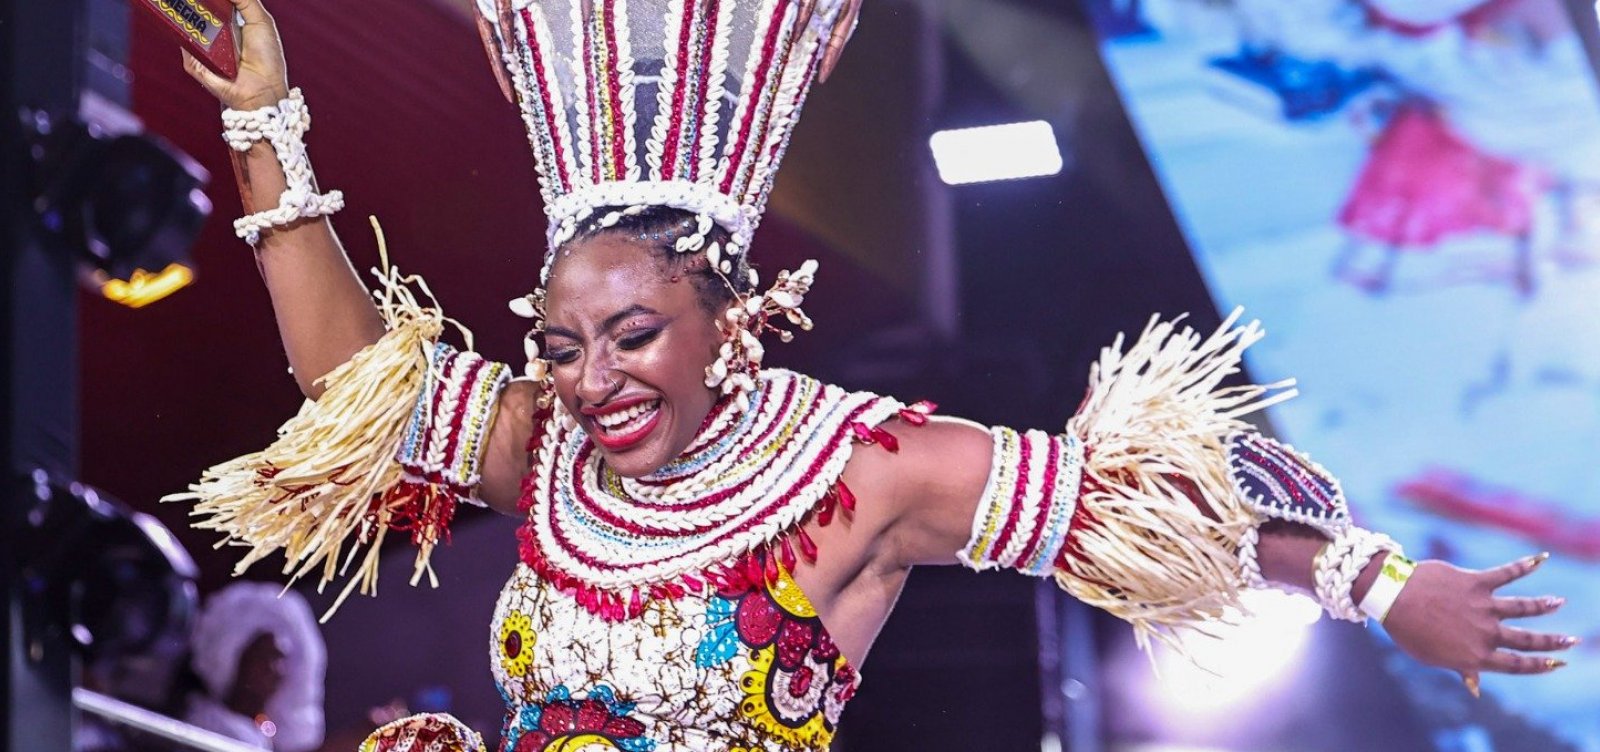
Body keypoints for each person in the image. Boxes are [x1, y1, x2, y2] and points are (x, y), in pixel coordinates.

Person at [167, 1, 1575, 750]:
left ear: (729, 318)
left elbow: (1141, 510)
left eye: (634, 336)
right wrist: (264, 128)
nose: (592, 379)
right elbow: (349, 383)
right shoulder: (548, 450)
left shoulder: (859, 472)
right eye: (561, 345)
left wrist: (1380, 586)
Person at [185, 582, 327, 752]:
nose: (276, 670)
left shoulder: (267, 734)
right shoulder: (207, 727)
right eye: (265, 657)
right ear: (234, 659)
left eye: (280, 659)